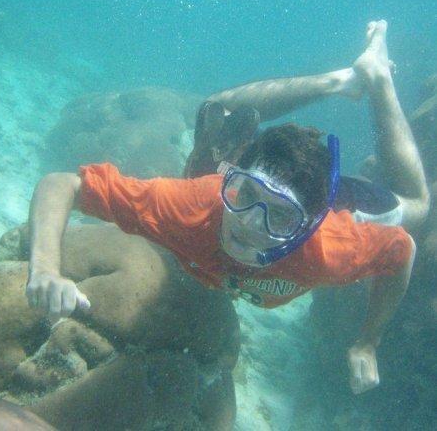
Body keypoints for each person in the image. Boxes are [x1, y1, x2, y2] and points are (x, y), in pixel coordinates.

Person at [26, 20, 429, 395]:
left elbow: (403, 251)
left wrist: (368, 342)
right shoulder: (192, 207)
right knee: (216, 109)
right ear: (231, 177)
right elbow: (63, 185)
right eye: (245, 194)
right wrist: (44, 268)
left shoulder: (329, 250)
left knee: (419, 207)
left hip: (336, 203)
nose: (249, 224)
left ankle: (377, 78)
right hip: (215, 192)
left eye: (280, 216)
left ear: (305, 228)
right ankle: (341, 80)